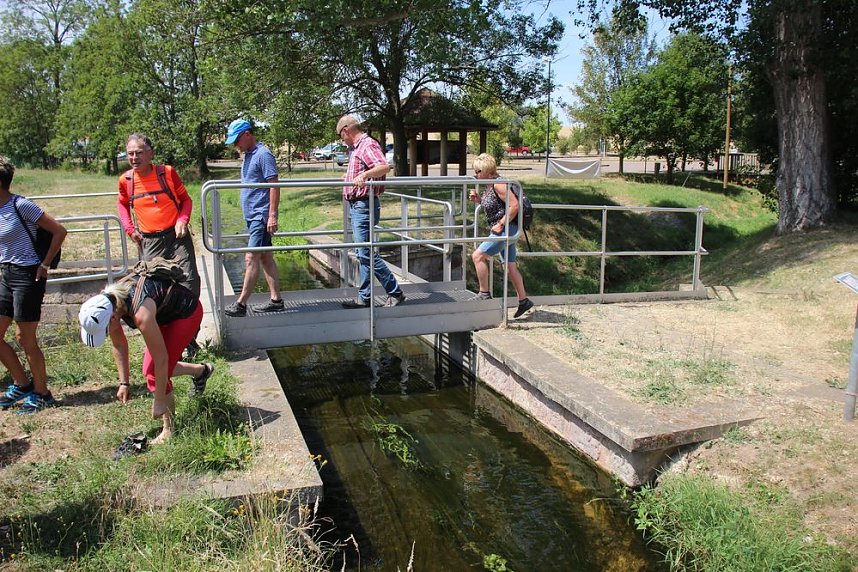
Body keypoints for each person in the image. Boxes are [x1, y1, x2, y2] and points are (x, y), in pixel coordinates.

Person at [78, 271, 214, 444]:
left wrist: (159, 400)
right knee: (151, 370)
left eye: (104, 331)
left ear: (113, 318)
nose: (106, 334)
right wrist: (124, 383)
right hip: (164, 315)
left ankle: (169, 430)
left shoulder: (140, 314)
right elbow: (119, 345)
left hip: (186, 314)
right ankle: (201, 371)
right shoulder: (110, 304)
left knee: (154, 374)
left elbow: (162, 360)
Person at [118, 134, 202, 355]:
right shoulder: (126, 181)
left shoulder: (167, 173)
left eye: (139, 152)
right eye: (130, 153)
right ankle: (165, 336)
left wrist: (182, 220)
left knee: (189, 282)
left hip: (176, 236)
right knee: (153, 290)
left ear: (150, 153)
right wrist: (130, 229)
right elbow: (122, 205)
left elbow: (186, 200)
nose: (134, 157)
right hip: (149, 241)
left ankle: (190, 338)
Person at [0, 155, 67, 414]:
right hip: (6, 274)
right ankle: (22, 383)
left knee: (24, 337)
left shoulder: (21, 205)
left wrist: (45, 264)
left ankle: (42, 393)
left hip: (28, 275)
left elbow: (59, 231)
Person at [336, 114, 405, 308]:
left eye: (342, 136)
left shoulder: (367, 144)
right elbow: (363, 168)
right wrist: (349, 175)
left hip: (363, 205)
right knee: (362, 252)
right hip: (357, 204)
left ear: (346, 130)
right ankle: (364, 297)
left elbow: (384, 166)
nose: (343, 141)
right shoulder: (357, 148)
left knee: (366, 253)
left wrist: (364, 175)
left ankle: (395, 292)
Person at [223, 119, 284, 317]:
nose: (236, 146)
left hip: (261, 215)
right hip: (253, 216)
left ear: (247, 134)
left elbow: (274, 185)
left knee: (251, 257)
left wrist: (272, 215)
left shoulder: (263, 154)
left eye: (237, 140)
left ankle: (241, 305)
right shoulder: (249, 155)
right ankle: (276, 300)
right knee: (266, 257)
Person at [468, 153, 534, 319]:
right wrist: (478, 200)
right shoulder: (490, 185)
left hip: (506, 230)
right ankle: (524, 301)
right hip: (506, 230)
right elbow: (495, 205)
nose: (475, 174)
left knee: (477, 256)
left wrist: (501, 224)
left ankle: (484, 293)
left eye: (478, 171)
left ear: (487, 171)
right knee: (510, 266)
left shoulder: (498, 184)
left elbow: (514, 205)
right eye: (474, 171)